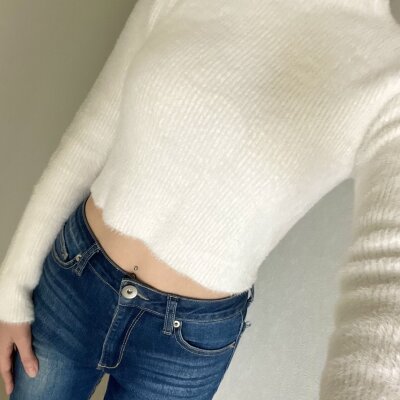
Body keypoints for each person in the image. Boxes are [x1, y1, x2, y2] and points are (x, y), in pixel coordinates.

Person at [0, 0, 400, 399]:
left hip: (187, 346)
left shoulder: (389, 79)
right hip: (73, 282)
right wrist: (11, 290)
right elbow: (88, 141)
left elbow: (387, 284)